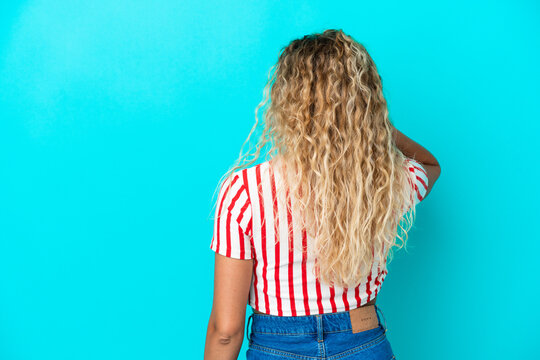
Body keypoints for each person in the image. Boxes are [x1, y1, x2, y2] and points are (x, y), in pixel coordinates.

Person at [204, 29, 441, 360]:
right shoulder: (384, 184)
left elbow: (226, 331)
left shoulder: (244, 191)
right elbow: (429, 165)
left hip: (277, 347)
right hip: (364, 342)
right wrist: (375, 125)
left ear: (286, 102)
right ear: (364, 103)